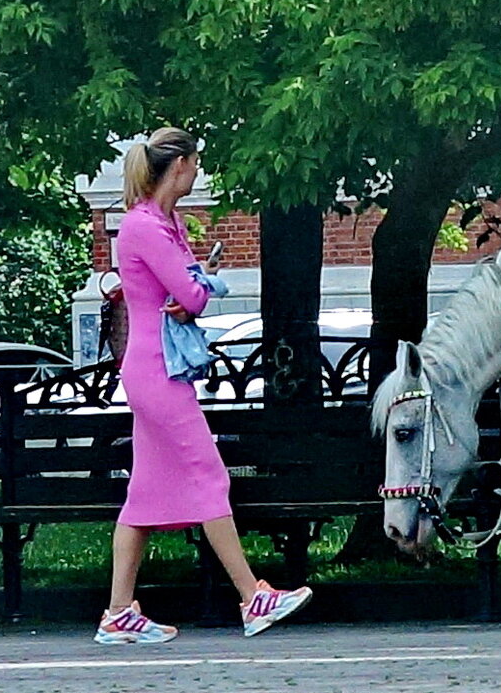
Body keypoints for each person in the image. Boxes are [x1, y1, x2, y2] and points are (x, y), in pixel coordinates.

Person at [95, 127, 312, 645]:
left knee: (144, 497)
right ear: (179, 166)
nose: (198, 172)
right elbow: (191, 297)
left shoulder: (166, 223)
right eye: (195, 163)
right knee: (209, 476)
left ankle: (118, 613)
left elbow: (187, 286)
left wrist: (193, 283)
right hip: (157, 370)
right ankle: (253, 597)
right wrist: (194, 286)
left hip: (159, 366)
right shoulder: (144, 226)